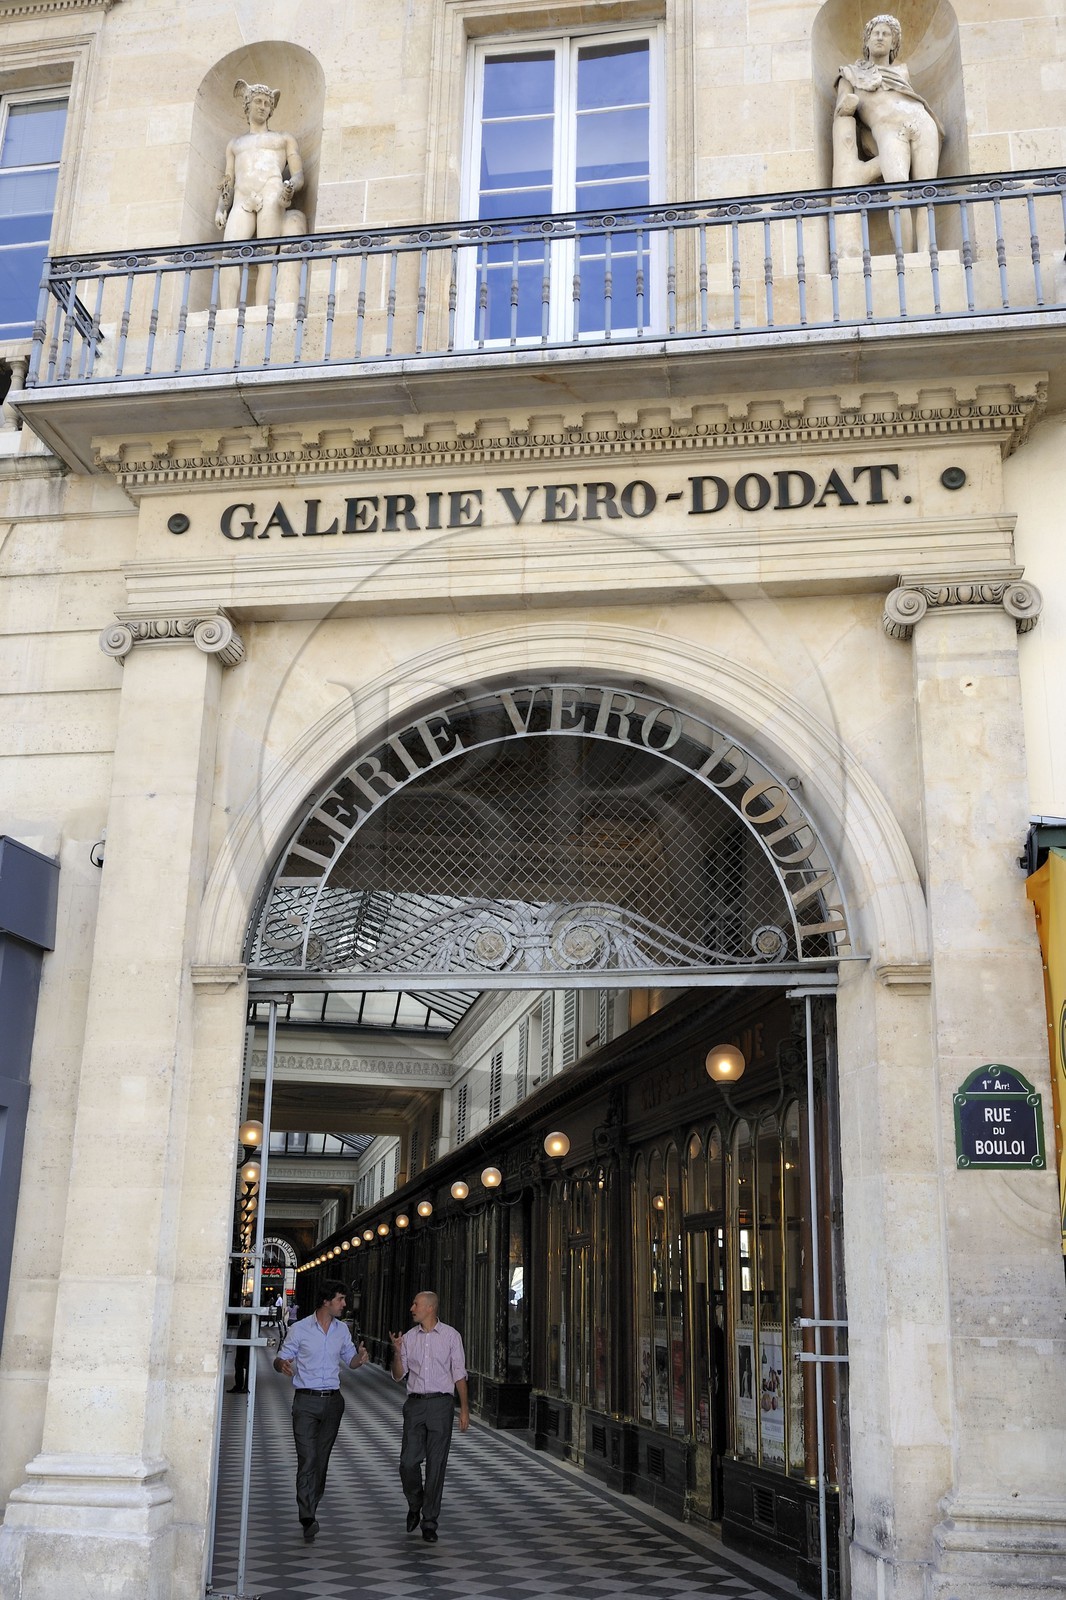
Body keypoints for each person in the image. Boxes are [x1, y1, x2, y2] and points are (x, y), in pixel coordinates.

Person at [833, 15, 943, 252]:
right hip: (888, 130)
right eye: (876, 33)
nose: (881, 37)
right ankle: (904, 255)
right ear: (867, 40)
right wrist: (849, 102)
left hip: (921, 122)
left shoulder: (902, 71)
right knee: (898, 194)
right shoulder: (849, 74)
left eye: (887, 34)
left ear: (894, 43)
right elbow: (841, 108)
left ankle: (926, 253)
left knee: (927, 194)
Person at [274, 1279, 369, 1543]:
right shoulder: (300, 1329)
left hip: (333, 1402)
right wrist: (281, 1363)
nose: (344, 1304)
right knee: (308, 1458)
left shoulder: (342, 1331)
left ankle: (311, 1509)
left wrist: (359, 1359)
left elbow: (350, 1361)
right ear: (326, 1301)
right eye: (341, 1299)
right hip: (305, 1401)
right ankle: (307, 1516)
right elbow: (281, 1356)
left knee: (322, 1459)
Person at [215, 81, 305, 304]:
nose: (263, 106)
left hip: (272, 194)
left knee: (266, 256)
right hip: (242, 198)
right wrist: (220, 207)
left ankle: (261, 309)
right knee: (229, 255)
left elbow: (299, 175)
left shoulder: (283, 139)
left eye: (267, 103)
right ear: (247, 105)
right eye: (258, 101)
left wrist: (290, 187)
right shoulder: (235, 144)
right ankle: (226, 312)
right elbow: (228, 180)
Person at [390, 1291, 469, 1544]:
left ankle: (430, 1521)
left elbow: (459, 1373)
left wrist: (464, 1409)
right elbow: (397, 1375)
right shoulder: (409, 1338)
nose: (412, 1308)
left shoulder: (451, 1336)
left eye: (416, 1304)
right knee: (407, 1463)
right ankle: (415, 1502)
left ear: (430, 1308)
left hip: (441, 1405)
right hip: (415, 1405)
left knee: (436, 1466)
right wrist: (396, 1351)